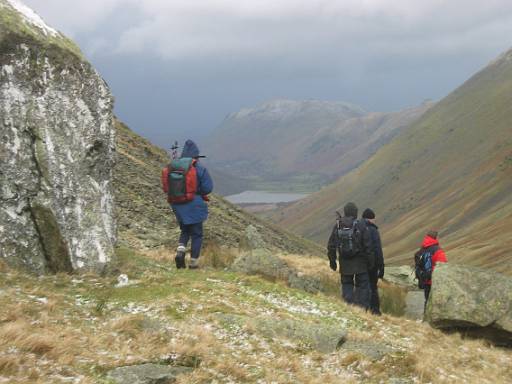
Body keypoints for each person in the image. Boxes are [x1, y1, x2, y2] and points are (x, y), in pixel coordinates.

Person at [169, 140, 213, 269]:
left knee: (185, 229)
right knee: (197, 233)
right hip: (194, 204)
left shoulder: (174, 167)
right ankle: (193, 263)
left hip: (177, 204)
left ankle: (180, 251)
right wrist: (196, 191)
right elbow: (207, 188)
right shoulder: (200, 169)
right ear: (195, 157)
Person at [327, 202, 374, 310]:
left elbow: (331, 245)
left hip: (345, 264)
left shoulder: (338, 226)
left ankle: (348, 309)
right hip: (361, 265)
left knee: (347, 285)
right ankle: (362, 311)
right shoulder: (361, 225)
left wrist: (332, 261)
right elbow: (368, 247)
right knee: (362, 287)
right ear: (356, 213)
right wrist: (371, 263)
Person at [415, 230, 447, 309]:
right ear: (435, 238)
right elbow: (443, 266)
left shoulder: (421, 250)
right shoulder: (437, 250)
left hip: (425, 280)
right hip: (435, 281)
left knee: (427, 300)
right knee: (437, 303)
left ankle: (426, 318)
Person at [362, 208, 384, 315]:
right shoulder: (373, 230)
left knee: (362, 285)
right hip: (373, 264)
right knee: (373, 287)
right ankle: (375, 310)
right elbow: (377, 249)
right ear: (371, 219)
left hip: (360, 263)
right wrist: (381, 266)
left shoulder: (358, 227)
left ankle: (363, 308)